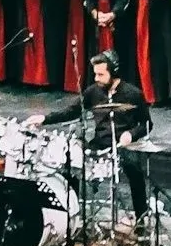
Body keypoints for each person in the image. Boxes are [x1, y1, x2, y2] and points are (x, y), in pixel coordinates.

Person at [39, 50, 157, 228]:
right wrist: (45, 119)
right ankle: (70, 215)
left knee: (134, 168)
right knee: (71, 163)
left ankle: (141, 217)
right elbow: (71, 111)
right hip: (100, 142)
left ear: (114, 72)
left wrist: (131, 134)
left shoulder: (133, 94)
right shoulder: (92, 92)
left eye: (101, 74)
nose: (96, 78)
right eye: (95, 74)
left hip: (124, 144)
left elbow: (147, 124)